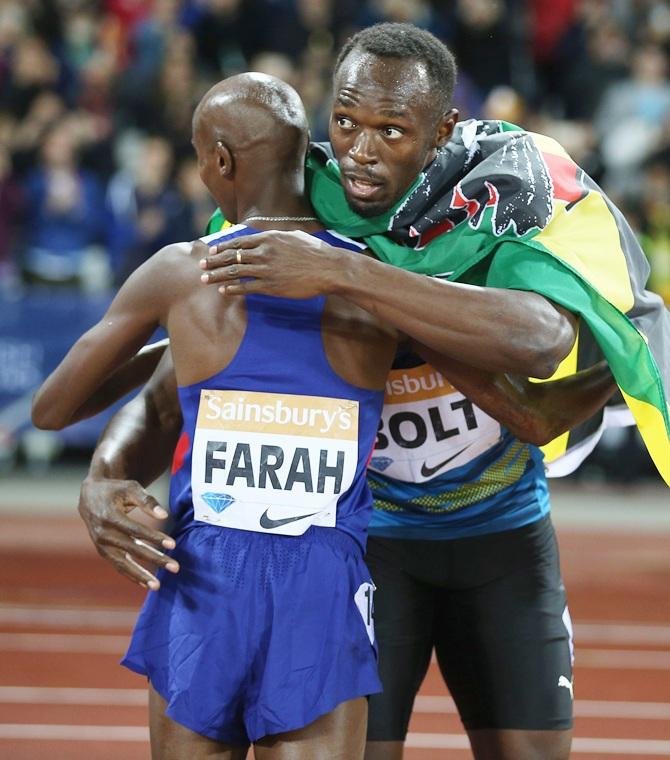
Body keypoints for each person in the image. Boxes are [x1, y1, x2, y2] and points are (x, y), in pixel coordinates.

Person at [73, 22, 667, 760]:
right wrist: (105, 476)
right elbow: (171, 393)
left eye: (392, 130)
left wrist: (348, 274)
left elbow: (541, 338)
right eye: (346, 122)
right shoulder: (281, 214)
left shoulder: (497, 204)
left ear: (442, 129)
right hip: (365, 549)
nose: (360, 149)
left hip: (501, 533)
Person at [32, 72, 406, 759]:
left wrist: (171, 337)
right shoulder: (379, 280)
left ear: (221, 161)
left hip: (204, 573)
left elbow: (53, 407)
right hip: (320, 579)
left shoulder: (181, 274)